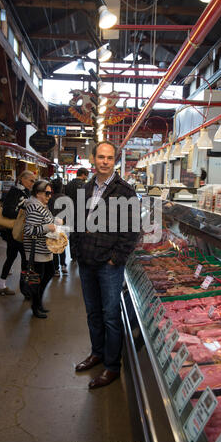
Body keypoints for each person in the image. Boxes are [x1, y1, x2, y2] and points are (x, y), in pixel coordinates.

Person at [74, 141, 140, 389]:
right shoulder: (85, 187)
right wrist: (77, 249)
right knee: (93, 313)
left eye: (110, 158)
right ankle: (97, 353)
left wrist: (116, 259)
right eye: (101, 157)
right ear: (93, 159)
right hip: (86, 261)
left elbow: (132, 230)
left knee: (111, 316)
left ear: (115, 161)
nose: (105, 161)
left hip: (108, 265)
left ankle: (112, 366)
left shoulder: (125, 191)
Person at [0, 170, 36, 296]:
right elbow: (6, 212)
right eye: (31, 180)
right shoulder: (14, 192)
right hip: (15, 233)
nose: (32, 183)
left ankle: (1, 285)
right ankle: (25, 290)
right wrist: (24, 215)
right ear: (23, 179)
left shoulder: (26, 192)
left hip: (19, 232)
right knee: (26, 259)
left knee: (12, 257)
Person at [23, 180, 56, 319]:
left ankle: (38, 303)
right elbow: (29, 230)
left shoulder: (42, 205)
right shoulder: (35, 207)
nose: (49, 196)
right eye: (47, 193)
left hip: (44, 248)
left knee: (48, 273)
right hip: (36, 250)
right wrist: (48, 227)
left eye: (50, 193)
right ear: (38, 193)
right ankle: (36, 306)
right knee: (38, 278)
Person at [65, 167, 89, 261]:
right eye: (86, 175)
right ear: (83, 174)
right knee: (81, 234)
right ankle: (80, 254)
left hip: (70, 212)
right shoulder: (84, 185)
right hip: (81, 214)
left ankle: (73, 255)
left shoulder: (68, 184)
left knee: (72, 234)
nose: (86, 177)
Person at [48, 177, 68, 277]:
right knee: (62, 245)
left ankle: (56, 269)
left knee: (54, 247)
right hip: (63, 225)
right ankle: (63, 265)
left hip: (53, 225)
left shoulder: (50, 199)